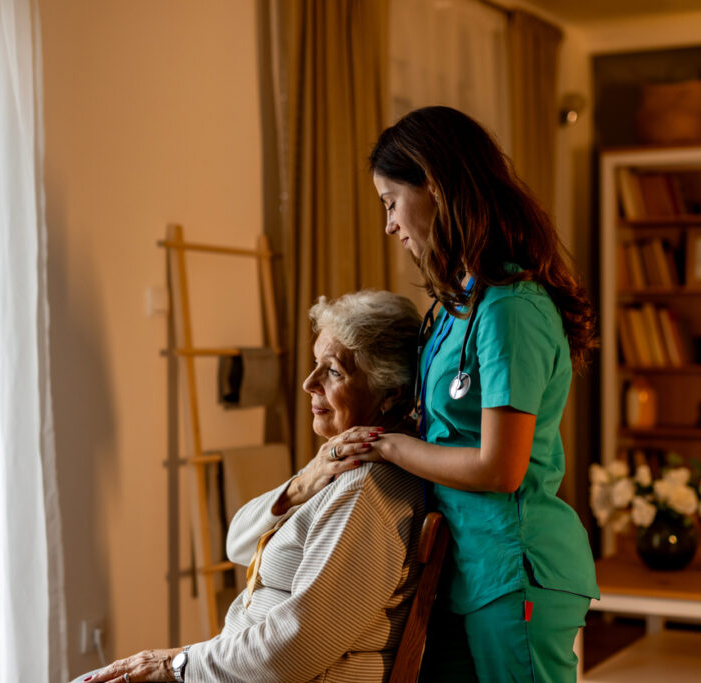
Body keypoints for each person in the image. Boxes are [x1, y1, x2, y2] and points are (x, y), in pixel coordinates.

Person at [341, 105, 600, 682]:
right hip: (462, 571)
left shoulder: (509, 305)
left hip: (514, 567)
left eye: (390, 200)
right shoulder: (457, 303)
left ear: (432, 183)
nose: (388, 222)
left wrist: (386, 447)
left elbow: (501, 466)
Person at [82, 290, 425, 683]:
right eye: (316, 365)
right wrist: (303, 482)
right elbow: (239, 546)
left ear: (390, 391)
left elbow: (294, 648)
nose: (308, 383)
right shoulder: (338, 466)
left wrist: (176, 664)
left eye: (333, 372)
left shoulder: (366, 489)